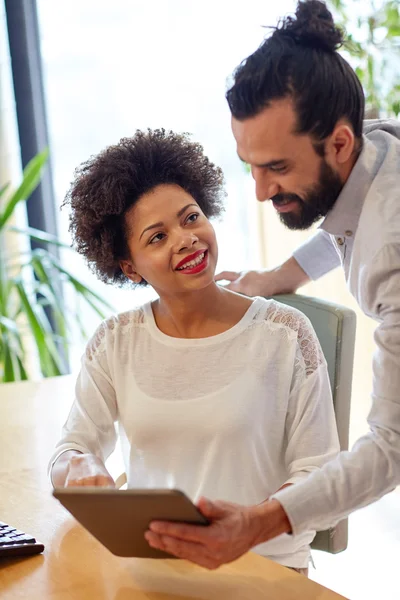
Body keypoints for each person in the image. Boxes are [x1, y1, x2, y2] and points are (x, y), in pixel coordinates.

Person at [147, 0, 400, 570]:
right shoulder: (373, 141)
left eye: (277, 169)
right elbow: (349, 213)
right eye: (250, 166)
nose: (260, 192)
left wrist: (259, 522)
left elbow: (392, 447)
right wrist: (285, 274)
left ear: (337, 143)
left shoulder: (392, 255)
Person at [49, 129, 340, 574]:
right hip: (156, 570)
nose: (185, 239)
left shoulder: (284, 334)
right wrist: (78, 464)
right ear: (129, 267)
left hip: (262, 570)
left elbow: (321, 475)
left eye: (190, 218)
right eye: (156, 237)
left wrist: (253, 525)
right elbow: (69, 451)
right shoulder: (116, 342)